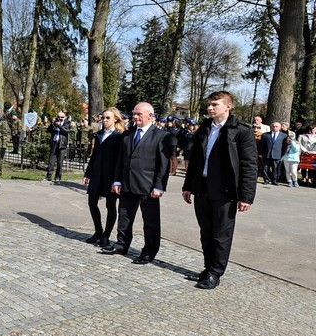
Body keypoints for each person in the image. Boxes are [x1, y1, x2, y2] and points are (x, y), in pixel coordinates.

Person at [182, 91, 257, 289]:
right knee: (206, 231)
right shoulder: (205, 128)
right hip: (203, 187)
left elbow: (249, 165)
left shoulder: (240, 131)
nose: (210, 108)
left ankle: (216, 272)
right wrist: (188, 185)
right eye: (209, 104)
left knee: (221, 234)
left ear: (228, 106)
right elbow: (196, 160)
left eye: (215, 104)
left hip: (225, 191)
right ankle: (208, 268)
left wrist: (246, 196)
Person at [102, 102, 172, 264]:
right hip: (126, 183)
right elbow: (121, 159)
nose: (135, 117)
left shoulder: (160, 136)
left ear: (150, 116)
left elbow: (163, 164)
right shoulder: (128, 134)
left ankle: (149, 251)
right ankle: (121, 244)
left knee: (150, 222)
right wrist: (117, 179)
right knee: (124, 216)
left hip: (148, 187)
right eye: (134, 113)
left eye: (139, 114)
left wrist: (159, 186)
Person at [83, 108, 125, 248]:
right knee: (92, 202)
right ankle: (98, 231)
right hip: (96, 174)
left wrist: (117, 179)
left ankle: (106, 235)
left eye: (108, 118)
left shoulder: (119, 137)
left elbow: (120, 160)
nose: (104, 120)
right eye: (103, 118)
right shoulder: (99, 134)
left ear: (115, 119)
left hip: (111, 176)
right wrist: (88, 174)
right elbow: (94, 156)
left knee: (110, 206)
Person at [45, 111, 70, 184]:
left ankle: (57, 177)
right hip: (54, 143)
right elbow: (48, 130)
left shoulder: (67, 123)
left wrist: (59, 126)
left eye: (62, 117)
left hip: (62, 145)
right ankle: (48, 176)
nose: (60, 118)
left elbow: (66, 131)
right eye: (59, 117)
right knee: (51, 161)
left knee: (59, 162)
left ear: (64, 117)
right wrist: (53, 124)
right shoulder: (55, 122)